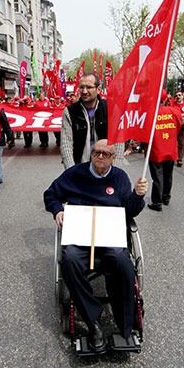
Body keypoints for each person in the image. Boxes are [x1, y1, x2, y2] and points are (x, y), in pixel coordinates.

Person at [43, 139, 148, 352]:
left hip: (110, 237)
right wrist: (57, 210)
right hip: (81, 236)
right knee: (70, 259)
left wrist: (137, 196)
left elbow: (129, 211)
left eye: (105, 154)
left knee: (123, 263)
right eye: (96, 152)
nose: (100, 156)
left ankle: (126, 325)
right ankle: (94, 322)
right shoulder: (75, 174)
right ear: (91, 154)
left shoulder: (119, 177)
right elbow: (50, 194)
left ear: (113, 157)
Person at [60, 73, 125, 169]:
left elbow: (118, 141)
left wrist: (116, 170)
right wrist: (71, 170)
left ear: (98, 89)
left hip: (106, 168)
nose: (84, 91)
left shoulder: (111, 109)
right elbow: (66, 144)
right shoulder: (70, 111)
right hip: (80, 167)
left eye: (89, 87)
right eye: (82, 87)